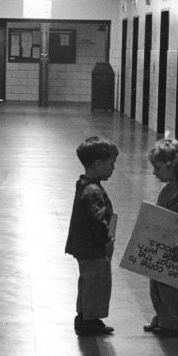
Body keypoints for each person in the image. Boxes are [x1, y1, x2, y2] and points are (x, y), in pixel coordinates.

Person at [144, 135, 178, 337]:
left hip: (176, 247)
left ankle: (173, 323)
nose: (154, 172)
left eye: (158, 168)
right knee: (157, 286)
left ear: (172, 166)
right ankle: (162, 317)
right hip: (164, 246)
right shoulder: (168, 189)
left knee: (173, 288)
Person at [65, 135, 118, 336]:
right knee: (96, 283)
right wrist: (107, 240)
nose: (113, 169)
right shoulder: (94, 191)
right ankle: (90, 320)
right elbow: (98, 220)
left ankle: (83, 315)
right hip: (93, 246)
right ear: (97, 164)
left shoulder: (84, 184)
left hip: (82, 245)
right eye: (111, 164)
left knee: (87, 281)